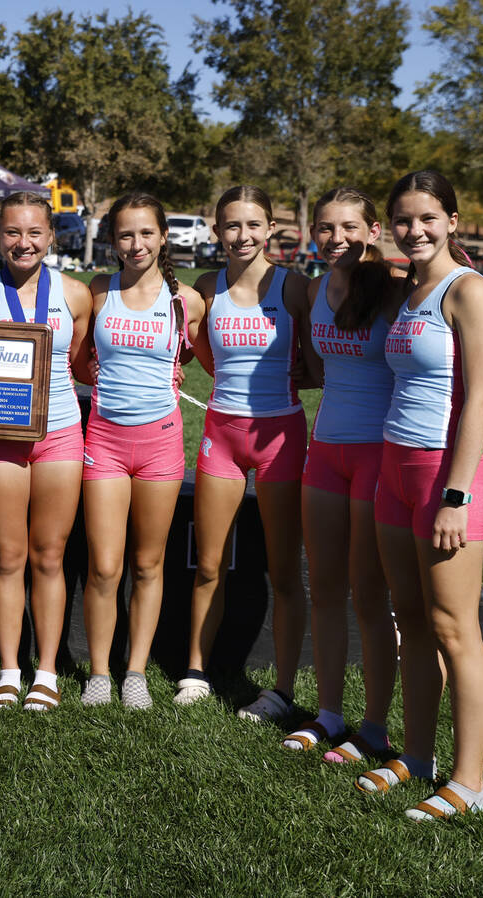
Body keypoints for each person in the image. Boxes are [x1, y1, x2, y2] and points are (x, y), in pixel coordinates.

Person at [355, 171, 483, 821]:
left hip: (448, 481)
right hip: (394, 473)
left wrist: (457, 495)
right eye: (404, 220)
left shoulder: (469, 291)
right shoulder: (404, 288)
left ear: (453, 219)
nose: (416, 230)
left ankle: (470, 781)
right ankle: (416, 757)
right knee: (410, 622)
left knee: (453, 629)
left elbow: (479, 402)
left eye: (428, 218)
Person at [176, 185, 311, 722]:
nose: (242, 236)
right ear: (216, 231)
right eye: (231, 226)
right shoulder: (207, 286)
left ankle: (279, 689)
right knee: (209, 564)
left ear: (270, 229)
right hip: (222, 436)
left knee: (282, 572)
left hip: (282, 437)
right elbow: (202, 350)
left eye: (253, 225)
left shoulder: (294, 287)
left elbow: (323, 354)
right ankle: (194, 670)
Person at [0, 191, 91, 711]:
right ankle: (10, 670)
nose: (24, 242)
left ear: (52, 237)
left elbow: (80, 365)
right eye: (12, 232)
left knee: (50, 556)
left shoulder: (75, 295)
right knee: (8, 557)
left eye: (35, 232)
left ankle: (49, 672)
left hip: (59, 433)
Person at [282, 187, 401, 760]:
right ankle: (329, 713)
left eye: (350, 227)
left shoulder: (397, 292)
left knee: (368, 595)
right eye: (325, 229)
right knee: (324, 588)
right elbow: (308, 365)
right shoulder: (311, 289)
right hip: (325, 452)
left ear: (374, 230)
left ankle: (373, 727)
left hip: (379, 453)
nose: (337, 239)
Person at [78, 193, 204, 709]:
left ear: (162, 237)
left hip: (161, 444)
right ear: (113, 241)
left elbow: (204, 357)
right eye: (126, 235)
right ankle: (100, 674)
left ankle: (135, 674)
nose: (136, 244)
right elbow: (80, 361)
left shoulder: (186, 300)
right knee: (105, 566)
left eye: (146, 233)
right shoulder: (100, 291)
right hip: (104, 440)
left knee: (149, 564)